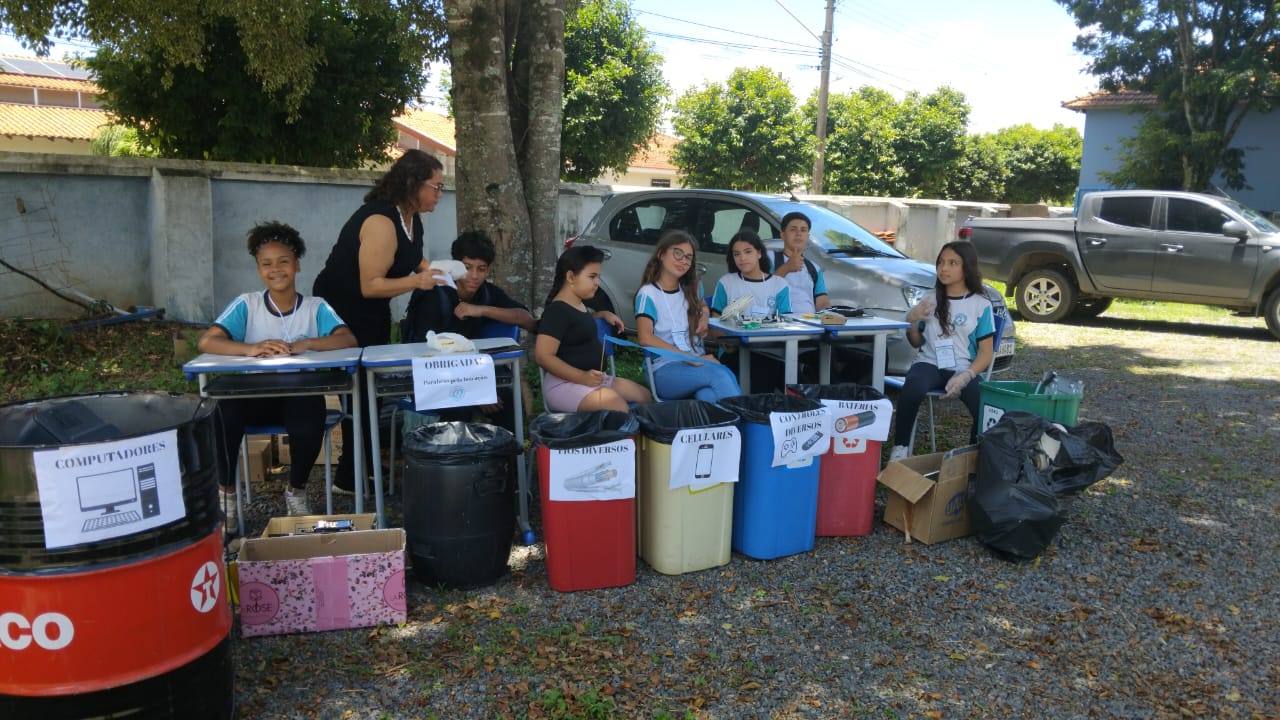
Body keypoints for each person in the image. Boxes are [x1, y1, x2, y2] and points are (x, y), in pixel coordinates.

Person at [197, 222, 357, 529]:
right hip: (251, 394)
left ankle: (295, 490)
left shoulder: (314, 307)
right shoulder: (248, 304)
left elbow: (347, 339)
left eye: (283, 261)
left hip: (295, 392)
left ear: (296, 265)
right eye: (266, 264)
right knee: (221, 410)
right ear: (259, 270)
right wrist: (251, 348)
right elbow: (207, 341)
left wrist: (306, 344)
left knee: (310, 410)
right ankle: (227, 495)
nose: (276, 269)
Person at [312, 149, 448, 494]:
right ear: (413, 184)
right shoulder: (379, 221)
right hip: (343, 311)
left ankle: (361, 469)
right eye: (435, 186)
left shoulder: (410, 218)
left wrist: (445, 275)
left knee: (370, 391)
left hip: (372, 311)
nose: (439, 194)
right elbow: (369, 284)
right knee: (358, 391)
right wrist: (419, 282)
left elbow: (416, 260)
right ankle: (350, 477)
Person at [401, 231, 536, 430]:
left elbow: (527, 320)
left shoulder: (487, 293)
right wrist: (475, 391)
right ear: (455, 266)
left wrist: (481, 310)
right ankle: (456, 458)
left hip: (471, 373)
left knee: (507, 397)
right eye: (467, 267)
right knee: (459, 408)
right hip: (432, 377)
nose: (473, 276)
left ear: (488, 270)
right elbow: (428, 356)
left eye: (481, 269)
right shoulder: (433, 294)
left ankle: (508, 458)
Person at [888, 241, 996, 461]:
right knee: (912, 388)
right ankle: (899, 449)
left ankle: (971, 459)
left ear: (967, 268)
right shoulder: (929, 298)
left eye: (952, 263)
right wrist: (912, 321)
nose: (943, 268)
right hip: (928, 363)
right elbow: (916, 342)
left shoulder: (980, 304)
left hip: (963, 367)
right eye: (940, 262)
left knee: (983, 405)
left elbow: (986, 353)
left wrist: (967, 375)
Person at [535, 245, 652, 412]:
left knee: (643, 396)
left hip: (593, 379)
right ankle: (614, 435)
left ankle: (630, 434)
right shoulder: (557, 311)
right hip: (564, 385)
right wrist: (581, 377)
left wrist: (602, 314)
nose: (597, 283)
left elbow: (577, 325)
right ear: (570, 276)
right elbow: (543, 356)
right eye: (592, 276)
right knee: (616, 405)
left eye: (598, 276)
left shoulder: (577, 305)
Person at [636, 230, 741, 402]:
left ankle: (723, 429)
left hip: (695, 364)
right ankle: (750, 425)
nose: (683, 260)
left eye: (688, 257)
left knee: (708, 396)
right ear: (661, 254)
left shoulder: (691, 288)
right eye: (677, 253)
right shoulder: (648, 294)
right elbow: (645, 338)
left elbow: (703, 305)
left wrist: (704, 316)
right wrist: (689, 358)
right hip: (664, 369)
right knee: (720, 374)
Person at [710, 229, 791, 392]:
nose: (742, 258)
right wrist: (725, 341)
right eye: (736, 254)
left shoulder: (778, 284)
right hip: (734, 349)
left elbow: (786, 322)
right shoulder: (726, 282)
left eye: (748, 252)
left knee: (776, 368)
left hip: (768, 349)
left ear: (759, 253)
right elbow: (715, 319)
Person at [772, 211, 831, 314]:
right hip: (779, 325)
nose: (799, 234)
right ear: (782, 235)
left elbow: (822, 302)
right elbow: (762, 290)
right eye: (793, 229)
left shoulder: (814, 268)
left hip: (809, 325)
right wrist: (786, 268)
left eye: (803, 230)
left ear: (807, 237)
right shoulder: (769, 258)